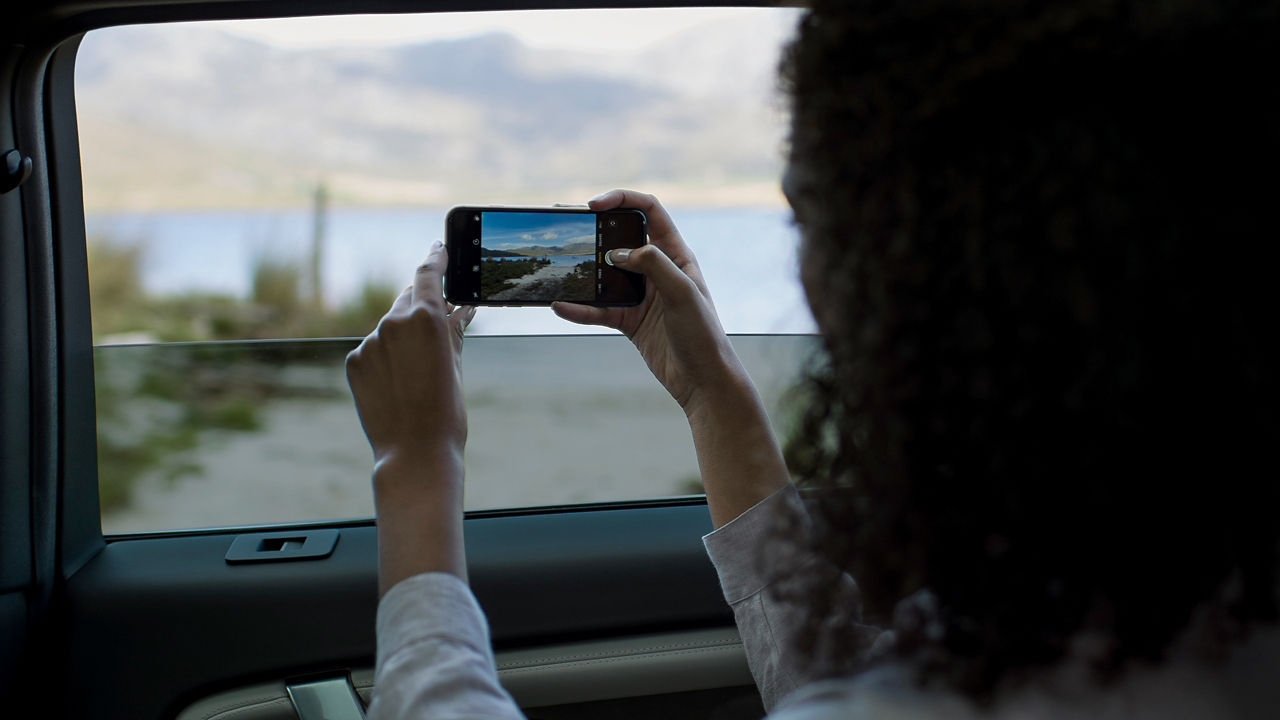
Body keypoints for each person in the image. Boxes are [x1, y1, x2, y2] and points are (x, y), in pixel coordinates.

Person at [344, 1, 1279, 718]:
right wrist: (711, 392)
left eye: (807, 219)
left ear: (916, 286)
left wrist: (415, 471)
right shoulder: (1185, 610)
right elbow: (841, 682)